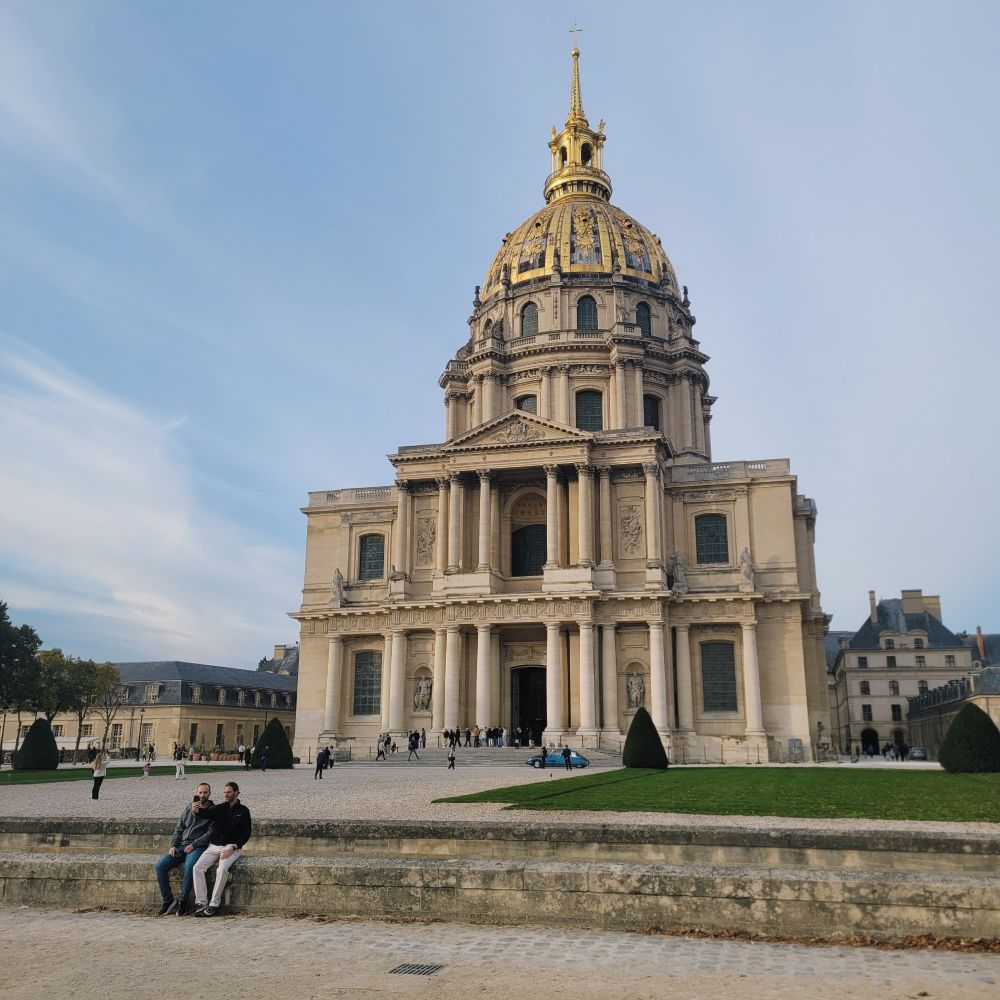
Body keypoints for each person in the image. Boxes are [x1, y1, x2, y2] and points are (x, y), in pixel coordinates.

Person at [191, 781, 252, 918]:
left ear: (236, 792)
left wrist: (234, 846)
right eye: (225, 792)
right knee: (197, 868)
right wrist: (197, 811)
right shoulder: (220, 808)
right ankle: (201, 902)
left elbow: (246, 833)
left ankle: (214, 904)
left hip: (230, 847)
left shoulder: (243, 811)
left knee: (222, 869)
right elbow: (207, 813)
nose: (226, 795)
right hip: (214, 846)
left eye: (229, 792)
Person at [155, 782, 214, 915]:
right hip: (181, 845)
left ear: (210, 793)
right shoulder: (188, 808)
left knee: (189, 867)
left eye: (205, 792)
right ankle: (168, 900)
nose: (202, 795)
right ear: (196, 793)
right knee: (160, 865)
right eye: (200, 792)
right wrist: (173, 845)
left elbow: (210, 834)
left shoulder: (212, 811)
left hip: (197, 846)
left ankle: (183, 901)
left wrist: (193, 845)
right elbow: (179, 828)